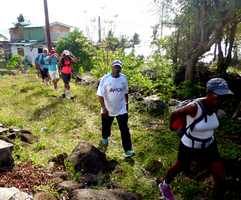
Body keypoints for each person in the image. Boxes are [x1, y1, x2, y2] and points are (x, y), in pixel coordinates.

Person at [159, 78, 233, 200]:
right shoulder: (194, 107)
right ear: (208, 93)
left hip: (210, 145)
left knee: (220, 177)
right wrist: (173, 128)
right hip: (189, 146)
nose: (221, 100)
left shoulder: (215, 105)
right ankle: (164, 185)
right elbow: (174, 114)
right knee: (179, 166)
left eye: (224, 96)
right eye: (218, 96)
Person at [97, 60, 134, 158]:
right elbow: (100, 95)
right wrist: (103, 108)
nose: (117, 69)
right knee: (106, 127)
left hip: (121, 108)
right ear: (112, 67)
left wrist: (126, 105)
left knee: (124, 129)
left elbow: (126, 92)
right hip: (108, 108)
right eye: (115, 67)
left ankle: (128, 150)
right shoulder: (105, 79)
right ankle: (105, 139)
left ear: (121, 68)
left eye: (119, 67)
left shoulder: (124, 78)